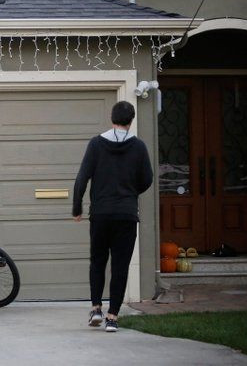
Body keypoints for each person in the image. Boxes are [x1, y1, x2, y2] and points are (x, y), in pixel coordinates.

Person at [72, 100, 153, 332]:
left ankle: (96, 309)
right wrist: (129, 193)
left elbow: (81, 178)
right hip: (126, 215)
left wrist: (76, 208)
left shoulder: (96, 144)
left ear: (111, 118)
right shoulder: (138, 147)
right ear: (131, 120)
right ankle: (112, 318)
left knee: (97, 262)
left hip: (101, 215)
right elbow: (147, 179)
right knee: (120, 266)